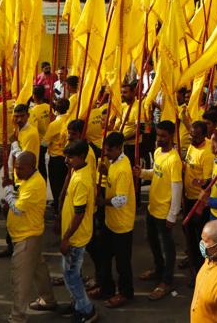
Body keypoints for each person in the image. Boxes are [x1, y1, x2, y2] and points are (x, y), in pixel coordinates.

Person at [2, 150, 57, 321]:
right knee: (38, 269)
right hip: (29, 233)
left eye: (21, 169)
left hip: (27, 237)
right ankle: (48, 299)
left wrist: (8, 190)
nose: (17, 172)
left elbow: (17, 208)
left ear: (32, 167)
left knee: (21, 279)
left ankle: (17, 317)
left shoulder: (34, 184)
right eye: (16, 168)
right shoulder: (29, 179)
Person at [133, 119, 183, 301]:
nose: (159, 139)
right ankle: (158, 268)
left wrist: (173, 214)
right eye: (158, 135)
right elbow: (156, 172)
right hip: (152, 208)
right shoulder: (158, 152)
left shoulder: (174, 160)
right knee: (152, 240)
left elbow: (177, 187)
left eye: (163, 136)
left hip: (164, 212)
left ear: (171, 136)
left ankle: (167, 280)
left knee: (167, 247)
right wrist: (143, 173)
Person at [90, 131, 135, 308]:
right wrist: (106, 171)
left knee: (122, 263)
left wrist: (103, 202)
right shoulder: (114, 163)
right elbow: (113, 180)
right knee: (104, 257)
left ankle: (125, 292)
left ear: (118, 149)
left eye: (108, 150)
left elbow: (121, 199)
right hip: (111, 222)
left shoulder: (124, 168)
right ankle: (107, 288)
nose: (105, 153)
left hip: (122, 224)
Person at [58, 140, 97, 323]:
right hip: (74, 234)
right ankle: (77, 304)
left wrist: (66, 238)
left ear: (82, 157)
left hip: (76, 237)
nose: (67, 160)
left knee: (71, 275)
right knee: (72, 273)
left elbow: (79, 214)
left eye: (71, 157)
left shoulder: (81, 180)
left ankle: (87, 310)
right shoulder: (78, 170)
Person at [182, 120, 214, 285]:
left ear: (203, 135)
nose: (191, 138)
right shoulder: (191, 145)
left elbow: (209, 182)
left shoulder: (207, 152)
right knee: (190, 236)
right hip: (188, 197)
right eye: (190, 135)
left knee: (200, 239)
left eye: (195, 136)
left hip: (199, 202)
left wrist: (200, 208)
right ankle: (194, 262)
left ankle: (202, 273)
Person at [43, 98, 71, 213]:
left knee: (56, 186)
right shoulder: (71, 119)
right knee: (66, 184)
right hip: (69, 158)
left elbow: (45, 142)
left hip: (56, 159)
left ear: (55, 110)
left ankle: (58, 209)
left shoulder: (54, 124)